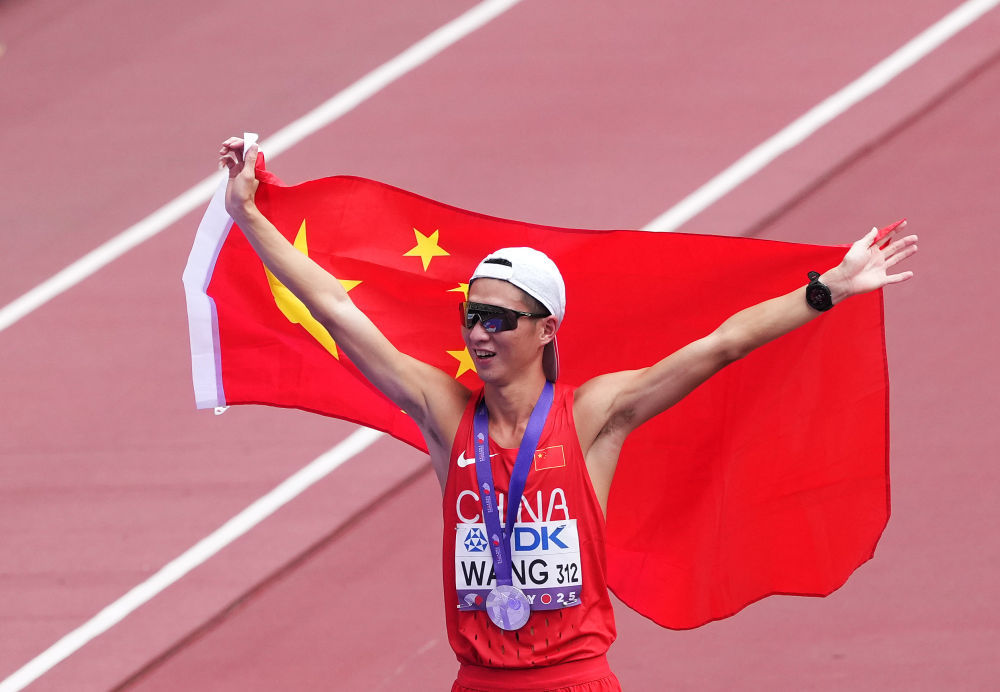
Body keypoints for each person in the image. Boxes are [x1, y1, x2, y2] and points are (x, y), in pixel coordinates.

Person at [218, 136, 918, 691]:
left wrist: (827, 290)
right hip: (477, 682)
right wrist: (248, 217)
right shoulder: (445, 415)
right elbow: (336, 309)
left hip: (573, 681)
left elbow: (720, 346)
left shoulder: (593, 416)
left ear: (546, 329)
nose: (479, 332)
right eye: (471, 316)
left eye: (499, 318)